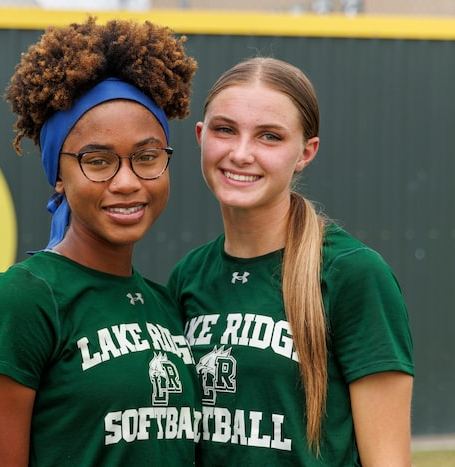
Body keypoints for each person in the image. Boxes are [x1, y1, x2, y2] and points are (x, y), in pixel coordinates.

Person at [0, 18, 200, 466]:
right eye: (98, 161)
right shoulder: (26, 298)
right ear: (58, 176)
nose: (127, 181)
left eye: (147, 157)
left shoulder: (165, 305)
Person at [169, 57, 414, 466]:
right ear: (200, 135)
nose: (241, 153)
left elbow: (387, 460)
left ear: (306, 152)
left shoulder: (352, 274)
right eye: (225, 129)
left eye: (269, 136)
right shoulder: (188, 277)